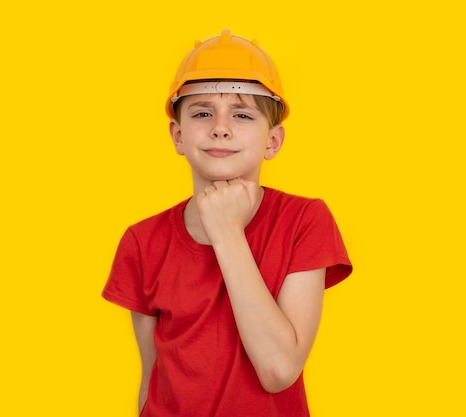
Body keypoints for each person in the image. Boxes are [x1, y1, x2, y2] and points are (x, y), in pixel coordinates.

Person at [102, 29, 353, 417]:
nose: (221, 127)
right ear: (178, 135)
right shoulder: (142, 241)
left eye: (242, 114)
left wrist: (227, 232)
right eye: (202, 113)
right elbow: (152, 377)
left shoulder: (306, 221)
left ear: (273, 141)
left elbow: (279, 369)